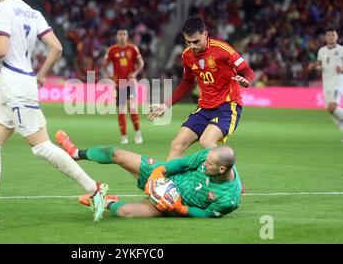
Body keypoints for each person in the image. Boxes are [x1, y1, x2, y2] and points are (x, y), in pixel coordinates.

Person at [0, 0, 108, 230]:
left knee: (41, 147)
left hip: (15, 87)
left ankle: (95, 190)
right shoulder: (32, 11)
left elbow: (2, 48)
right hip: (15, 87)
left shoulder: (1, 9)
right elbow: (57, 48)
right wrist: (41, 74)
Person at [56, 131, 243, 218]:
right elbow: (184, 162)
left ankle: (104, 200)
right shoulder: (209, 155)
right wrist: (159, 171)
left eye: (209, 165)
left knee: (123, 212)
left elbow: (207, 214)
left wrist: (180, 209)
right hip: (166, 177)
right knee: (117, 154)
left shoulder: (228, 199)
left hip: (170, 202)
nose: (205, 164)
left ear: (221, 170)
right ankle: (76, 153)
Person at [148, 17, 255, 160]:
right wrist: (165, 106)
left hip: (227, 106)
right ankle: (165, 181)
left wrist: (246, 80)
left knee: (207, 142)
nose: (192, 46)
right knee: (177, 144)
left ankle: (234, 181)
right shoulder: (187, 56)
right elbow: (187, 83)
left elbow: (247, 71)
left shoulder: (222, 49)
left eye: (196, 41)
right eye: (188, 42)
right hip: (204, 108)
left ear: (205, 34)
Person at [101, 29, 145, 145]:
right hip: (118, 84)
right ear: (116, 36)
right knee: (121, 110)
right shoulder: (112, 50)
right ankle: (124, 136)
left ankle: (137, 133)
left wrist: (135, 74)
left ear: (127, 36)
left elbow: (141, 63)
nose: (122, 36)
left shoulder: (133, 49)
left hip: (130, 82)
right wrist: (109, 75)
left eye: (124, 34)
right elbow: (104, 65)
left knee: (132, 107)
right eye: (119, 34)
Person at [314, 28, 343, 138]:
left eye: (333, 35)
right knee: (332, 112)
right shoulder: (321, 51)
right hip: (326, 83)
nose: (331, 37)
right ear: (326, 38)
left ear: (337, 37)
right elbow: (319, 64)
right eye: (329, 35)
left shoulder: (341, 50)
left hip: (338, 81)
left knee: (332, 107)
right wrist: (315, 67)